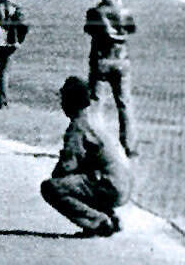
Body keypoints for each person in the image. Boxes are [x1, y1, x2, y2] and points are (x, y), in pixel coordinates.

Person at [40, 75, 133, 237]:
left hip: (110, 186)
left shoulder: (78, 127)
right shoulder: (94, 120)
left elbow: (66, 166)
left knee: (51, 188)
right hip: (123, 183)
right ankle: (111, 217)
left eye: (63, 99)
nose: (61, 104)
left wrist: (59, 179)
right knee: (82, 180)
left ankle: (97, 221)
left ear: (70, 103)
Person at [84, 0, 138, 157]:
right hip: (122, 60)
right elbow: (131, 29)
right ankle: (128, 146)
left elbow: (89, 30)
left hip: (101, 60)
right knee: (124, 104)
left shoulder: (95, 12)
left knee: (96, 103)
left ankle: (95, 144)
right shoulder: (125, 11)